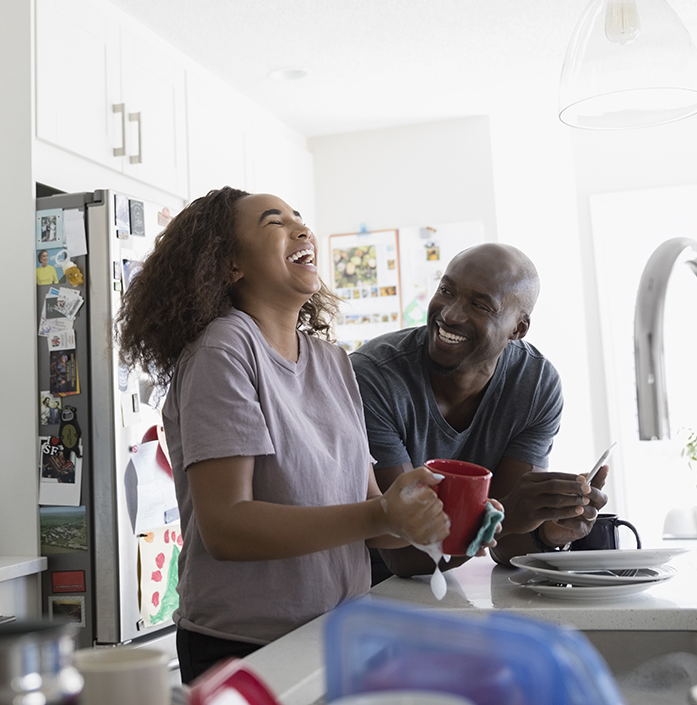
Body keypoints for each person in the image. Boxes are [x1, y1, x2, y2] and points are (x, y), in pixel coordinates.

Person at [115, 187, 466, 684]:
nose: (301, 228)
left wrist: (438, 512)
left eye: (299, 217)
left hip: (336, 634)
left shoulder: (333, 361)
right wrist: (379, 512)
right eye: (274, 222)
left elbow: (372, 517)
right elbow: (226, 527)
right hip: (246, 648)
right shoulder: (224, 350)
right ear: (230, 264)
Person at [350, 243, 609, 580]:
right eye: (447, 290)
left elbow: (508, 547)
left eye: (479, 305)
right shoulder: (374, 377)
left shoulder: (534, 385)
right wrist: (505, 516)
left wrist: (548, 532)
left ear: (518, 329)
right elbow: (404, 555)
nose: (450, 314)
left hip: (450, 581)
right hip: (370, 584)